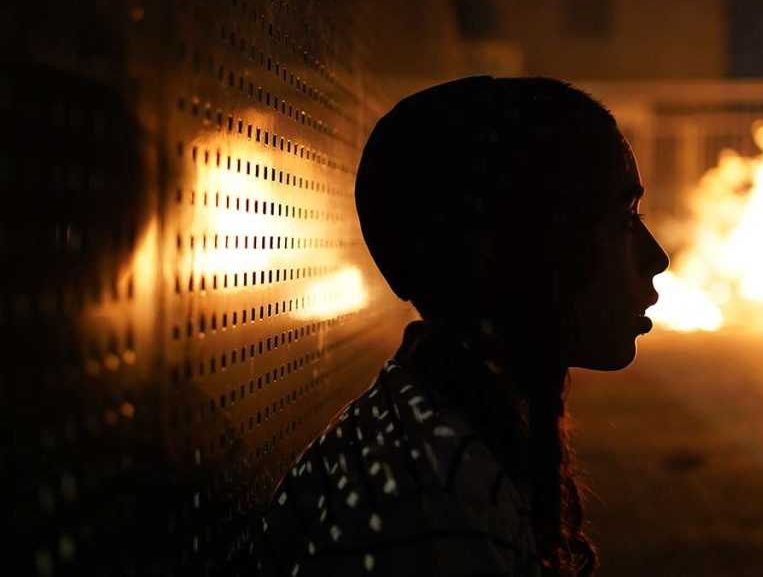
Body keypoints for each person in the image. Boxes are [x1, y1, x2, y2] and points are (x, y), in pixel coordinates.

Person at [250, 77, 669, 576]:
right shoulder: (436, 504)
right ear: (527, 251)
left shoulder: (433, 431)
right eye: (624, 218)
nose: (657, 258)